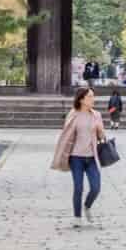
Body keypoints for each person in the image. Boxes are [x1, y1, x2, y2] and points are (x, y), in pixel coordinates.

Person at [51, 87, 106, 228]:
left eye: (93, 96)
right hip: (76, 157)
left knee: (96, 187)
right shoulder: (73, 114)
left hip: (92, 157)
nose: (93, 99)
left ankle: (87, 206)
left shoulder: (96, 115)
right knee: (78, 187)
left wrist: (101, 130)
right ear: (82, 99)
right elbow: (66, 135)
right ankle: (77, 217)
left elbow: (102, 136)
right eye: (90, 96)